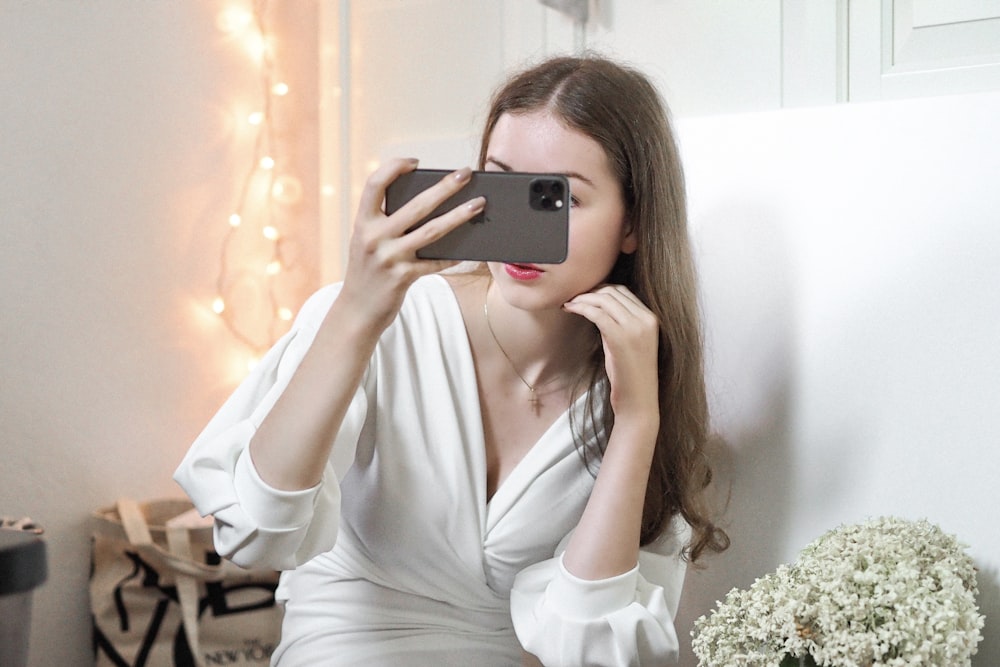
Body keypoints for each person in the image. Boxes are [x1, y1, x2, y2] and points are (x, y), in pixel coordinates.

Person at [175, 53, 728, 666]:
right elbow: (255, 532)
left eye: (559, 198)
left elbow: (588, 647)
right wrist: (355, 315)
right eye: (503, 182)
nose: (519, 229)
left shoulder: (639, 394)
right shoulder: (387, 322)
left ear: (634, 224)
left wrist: (636, 423)